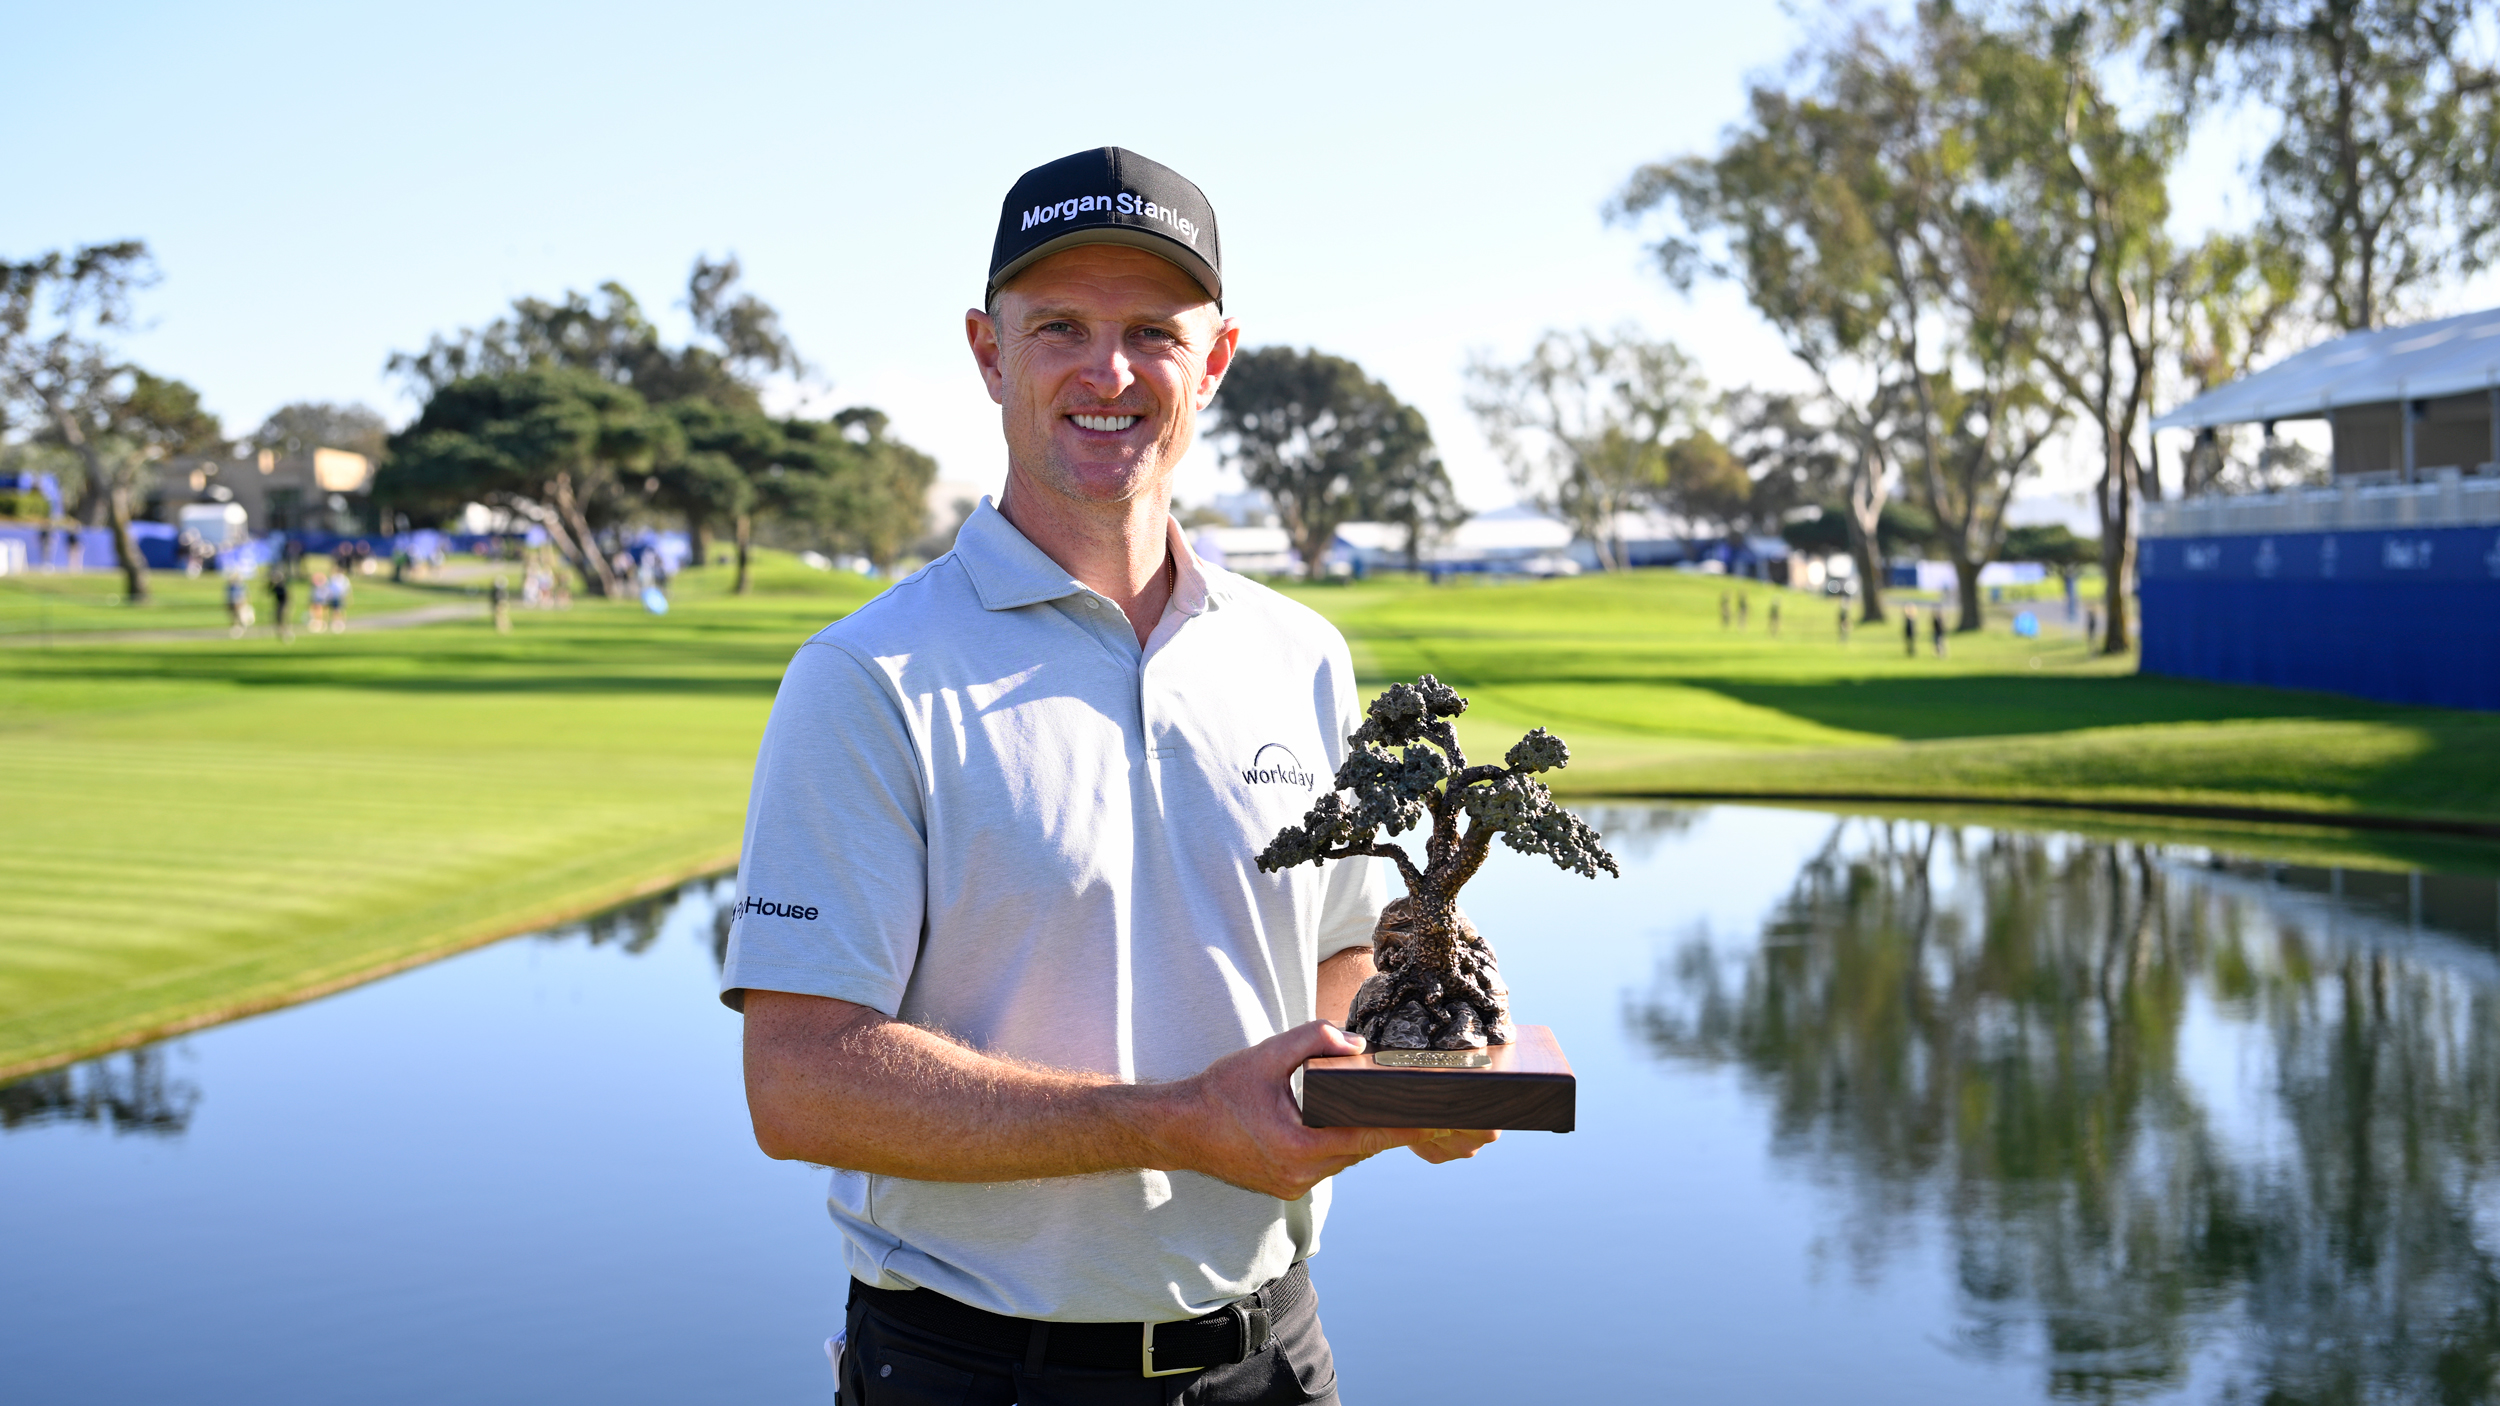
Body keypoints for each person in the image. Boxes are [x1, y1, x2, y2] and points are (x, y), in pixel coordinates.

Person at [726, 148, 1489, 1406]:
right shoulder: (866, 674)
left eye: (1152, 332)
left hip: (1274, 1355)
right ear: (988, 352)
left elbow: (1346, 950)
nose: (1109, 372)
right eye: (1060, 329)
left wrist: (1398, 1083)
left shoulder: (1299, 653)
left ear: (1216, 357)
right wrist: (1171, 1116)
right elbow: (799, 1080)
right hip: (978, 1370)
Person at [266, 565, 292, 643]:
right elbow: (269, 591)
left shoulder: (282, 585)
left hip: (284, 603)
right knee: (278, 617)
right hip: (279, 603)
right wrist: (271, 584)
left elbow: (286, 595)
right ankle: (281, 631)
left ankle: (286, 631)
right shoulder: (276, 586)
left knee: (283, 616)